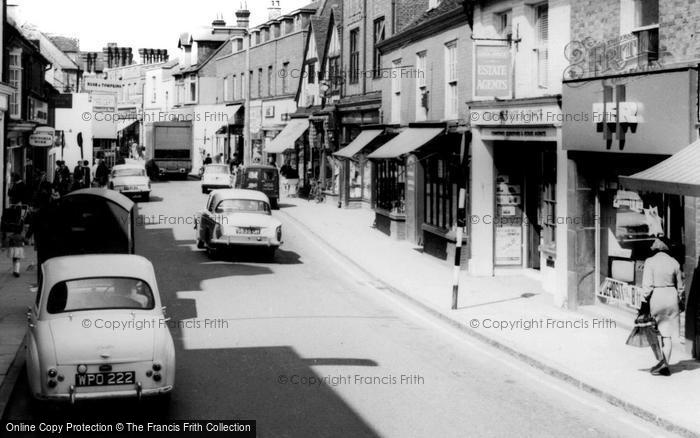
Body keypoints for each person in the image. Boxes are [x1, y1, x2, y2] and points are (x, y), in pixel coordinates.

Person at [642, 237, 684, 376]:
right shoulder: (674, 262)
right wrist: (680, 300)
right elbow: (681, 287)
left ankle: (662, 363)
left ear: (657, 246)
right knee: (667, 334)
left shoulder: (650, 262)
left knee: (656, 330)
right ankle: (665, 364)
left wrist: (644, 301)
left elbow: (647, 286)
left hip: (657, 296)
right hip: (671, 296)